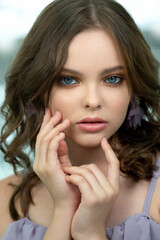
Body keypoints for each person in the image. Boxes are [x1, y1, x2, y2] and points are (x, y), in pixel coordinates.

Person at [0, 0, 160, 239]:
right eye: (68, 79)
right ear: (38, 89)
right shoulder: (6, 198)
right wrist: (63, 210)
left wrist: (91, 232)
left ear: (133, 88)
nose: (93, 100)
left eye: (113, 79)